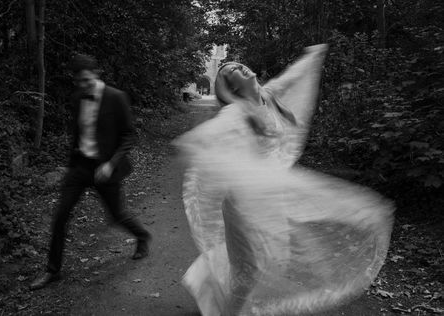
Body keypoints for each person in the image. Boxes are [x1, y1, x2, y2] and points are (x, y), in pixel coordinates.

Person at [174, 44, 394, 315]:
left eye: (239, 64)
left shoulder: (268, 96)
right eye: (232, 71)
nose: (239, 67)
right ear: (233, 86)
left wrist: (312, 57)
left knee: (272, 259)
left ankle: (211, 282)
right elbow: (205, 136)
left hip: (268, 199)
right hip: (243, 203)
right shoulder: (236, 112)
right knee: (250, 270)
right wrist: (192, 144)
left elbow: (291, 77)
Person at [30, 54, 152, 291]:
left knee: (117, 215)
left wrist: (111, 164)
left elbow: (129, 135)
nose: (83, 85)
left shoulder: (117, 98)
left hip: (106, 168)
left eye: (86, 80)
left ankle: (142, 236)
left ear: (96, 73)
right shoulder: (77, 97)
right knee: (60, 216)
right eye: (78, 81)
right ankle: (52, 270)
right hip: (80, 167)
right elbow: (77, 133)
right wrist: (70, 163)